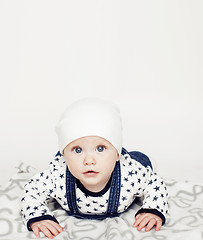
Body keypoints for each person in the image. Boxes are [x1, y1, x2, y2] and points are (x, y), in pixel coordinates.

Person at [21, 98, 168, 239]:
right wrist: (38, 216)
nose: (89, 160)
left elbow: (155, 183)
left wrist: (152, 209)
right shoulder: (58, 174)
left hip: (130, 163)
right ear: (64, 154)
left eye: (100, 148)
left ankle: (142, 159)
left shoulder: (130, 174)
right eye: (77, 150)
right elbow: (33, 189)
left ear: (117, 152)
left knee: (143, 163)